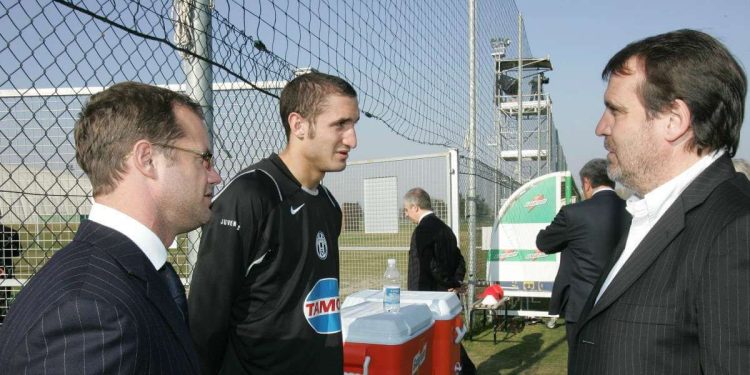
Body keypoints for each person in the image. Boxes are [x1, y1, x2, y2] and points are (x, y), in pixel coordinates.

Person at [0, 81, 221, 374]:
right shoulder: (90, 311)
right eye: (203, 159)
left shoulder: (136, 274)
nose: (215, 176)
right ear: (147, 159)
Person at [571, 29, 749, 374]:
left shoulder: (736, 230)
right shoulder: (648, 212)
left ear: (673, 120)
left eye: (615, 111)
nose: (600, 127)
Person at [189, 71, 359, 374]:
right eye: (340, 125)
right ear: (299, 125)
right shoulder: (251, 196)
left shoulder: (329, 205)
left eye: (353, 124)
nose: (353, 139)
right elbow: (206, 319)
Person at [535, 158, 629, 350]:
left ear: (587, 182)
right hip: (621, 301)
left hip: (581, 304)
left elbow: (544, 242)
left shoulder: (573, 213)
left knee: (581, 361)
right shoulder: (632, 212)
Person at [402, 187, 475, 374]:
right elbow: (460, 260)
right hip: (447, 297)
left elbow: (429, 266)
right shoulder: (446, 229)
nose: (406, 213)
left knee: (435, 342)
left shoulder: (422, 231)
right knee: (450, 340)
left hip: (429, 300)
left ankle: (465, 370)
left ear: (415, 207)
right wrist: (455, 282)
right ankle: (464, 369)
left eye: (407, 209)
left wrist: (451, 283)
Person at [0, 218, 21, 323]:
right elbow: (17, 252)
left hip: (5, 267)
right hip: (5, 267)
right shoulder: (11, 232)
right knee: (4, 295)